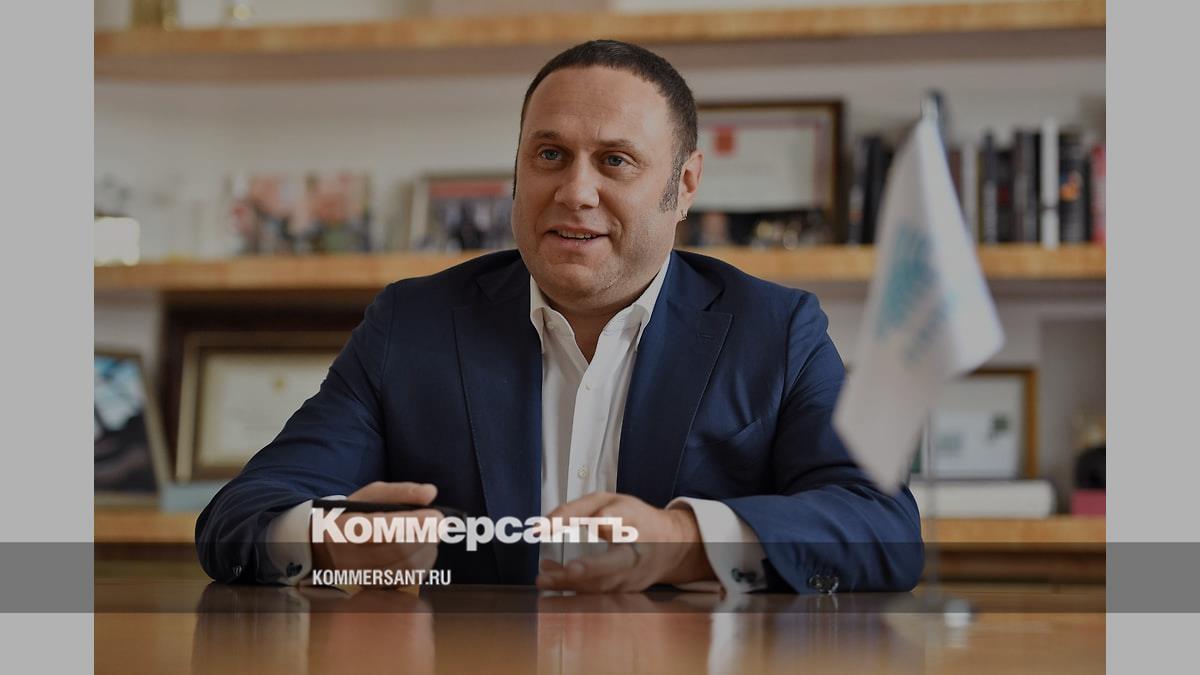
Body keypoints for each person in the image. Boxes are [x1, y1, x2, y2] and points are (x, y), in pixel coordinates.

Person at [196, 40, 923, 594]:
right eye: (550, 154)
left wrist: (682, 540)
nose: (575, 191)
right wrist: (330, 539)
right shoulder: (412, 325)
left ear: (684, 186)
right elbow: (240, 513)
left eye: (615, 161)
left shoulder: (775, 329)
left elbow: (882, 527)